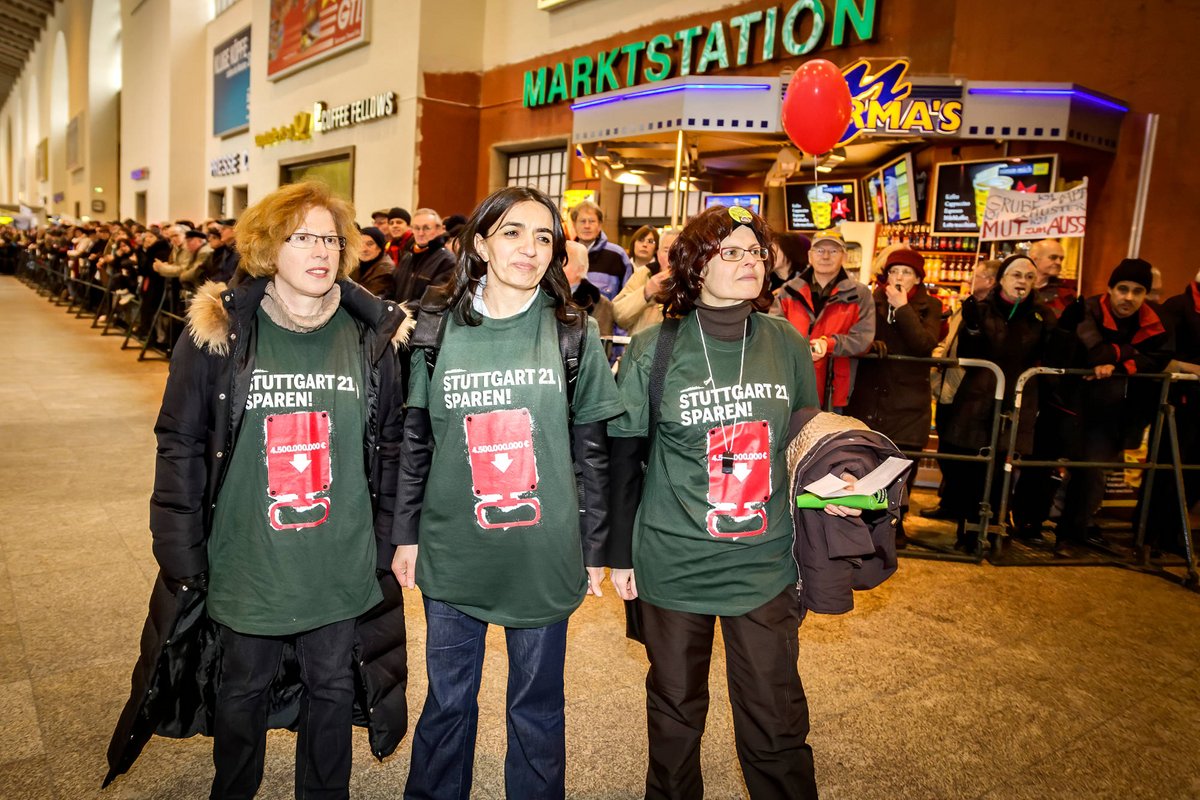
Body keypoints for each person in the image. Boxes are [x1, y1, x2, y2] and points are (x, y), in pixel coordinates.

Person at [105, 181, 412, 797]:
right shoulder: (221, 333)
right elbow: (181, 442)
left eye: (329, 237)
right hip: (249, 555)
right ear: (270, 248)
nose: (319, 250)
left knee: (330, 686)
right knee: (241, 686)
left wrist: (392, 539)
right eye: (301, 237)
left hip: (339, 555)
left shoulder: (369, 338)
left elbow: (395, 445)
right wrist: (180, 546)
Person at [391, 185, 623, 800]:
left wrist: (596, 544)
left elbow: (591, 450)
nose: (530, 247)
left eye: (544, 236)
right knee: (447, 703)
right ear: (481, 243)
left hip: (543, 550)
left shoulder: (573, 332)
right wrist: (405, 533)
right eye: (514, 232)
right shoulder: (435, 328)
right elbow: (416, 440)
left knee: (537, 708)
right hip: (452, 544)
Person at [608, 204, 826, 800]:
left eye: (756, 252)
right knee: (675, 713)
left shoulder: (784, 340)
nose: (749, 261)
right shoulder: (656, 347)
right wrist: (618, 554)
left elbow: (806, 436)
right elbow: (624, 457)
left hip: (763, 560)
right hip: (674, 558)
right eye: (731, 251)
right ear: (696, 264)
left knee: (775, 716)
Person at [937, 255, 1056, 550]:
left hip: (1016, 400)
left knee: (1004, 470)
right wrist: (972, 328)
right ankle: (968, 532)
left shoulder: (1040, 316)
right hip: (978, 397)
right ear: (1001, 279)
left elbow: (1050, 355)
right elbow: (970, 354)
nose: (1022, 282)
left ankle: (994, 531)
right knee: (972, 470)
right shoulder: (982, 310)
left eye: (1029, 277)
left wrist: (1064, 333)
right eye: (1016, 275)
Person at [1053, 258, 1171, 553]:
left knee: (1094, 472)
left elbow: (1158, 356)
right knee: (1086, 470)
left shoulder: (1153, 319)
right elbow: (1095, 352)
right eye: (1122, 289)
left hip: (1123, 410)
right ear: (1110, 289)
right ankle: (1066, 533)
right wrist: (1131, 355)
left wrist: (1122, 364)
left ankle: (1075, 530)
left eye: (1137, 291)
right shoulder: (1089, 309)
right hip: (1079, 404)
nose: (1128, 298)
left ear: (1145, 294)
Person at [845, 249, 942, 546]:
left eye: (907, 273)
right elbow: (857, 335)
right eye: (895, 271)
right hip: (871, 396)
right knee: (868, 461)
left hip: (907, 400)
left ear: (917, 278)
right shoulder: (870, 301)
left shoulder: (930, 306)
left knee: (902, 464)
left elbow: (924, 344)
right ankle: (865, 523)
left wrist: (902, 308)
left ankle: (895, 525)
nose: (899, 278)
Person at [773, 230, 875, 411]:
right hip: (793, 385)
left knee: (831, 438)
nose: (826, 256)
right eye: (820, 250)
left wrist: (829, 344)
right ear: (810, 256)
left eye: (834, 251)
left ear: (844, 256)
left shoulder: (860, 294)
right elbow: (773, 333)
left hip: (836, 390)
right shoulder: (788, 291)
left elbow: (863, 340)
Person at [1141, 268, 1200, 554]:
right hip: (1180, 400)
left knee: (1193, 472)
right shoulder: (1178, 307)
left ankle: (1175, 529)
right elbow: (1165, 355)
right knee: (1168, 466)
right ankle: (1153, 531)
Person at [614, 228, 676, 336]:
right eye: (666, 251)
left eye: (679, 251)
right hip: (642, 350)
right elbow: (619, 315)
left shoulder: (694, 282)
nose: (672, 257)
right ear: (658, 254)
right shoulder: (643, 275)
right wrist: (646, 291)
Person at [391, 207, 455, 305]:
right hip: (401, 316)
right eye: (416, 228)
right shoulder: (407, 257)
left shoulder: (447, 261)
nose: (420, 233)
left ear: (439, 230)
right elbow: (392, 289)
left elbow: (435, 299)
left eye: (426, 228)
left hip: (424, 318)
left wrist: (402, 311)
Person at [570, 199, 632, 299]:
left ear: (599, 225)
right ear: (574, 225)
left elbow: (628, 296)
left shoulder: (617, 255)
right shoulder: (563, 254)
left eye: (592, 221)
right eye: (582, 221)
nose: (587, 226)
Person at [565, 239, 614, 342]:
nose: (558, 267)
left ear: (581, 269)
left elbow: (599, 347)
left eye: (564, 262)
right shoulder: (543, 295)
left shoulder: (600, 303)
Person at [1030, 239, 1075, 314]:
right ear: (1034, 259)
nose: (1059, 262)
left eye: (1061, 259)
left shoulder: (1067, 293)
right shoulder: (1017, 286)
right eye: (1053, 257)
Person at [354, 225, 396, 296]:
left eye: (370, 244)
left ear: (380, 248)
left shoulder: (385, 269)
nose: (364, 249)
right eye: (360, 243)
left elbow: (368, 298)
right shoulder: (357, 263)